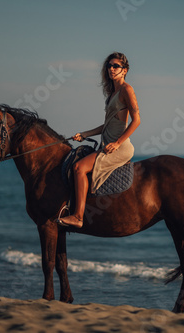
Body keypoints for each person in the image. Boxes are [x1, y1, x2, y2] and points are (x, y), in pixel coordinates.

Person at [57, 52, 141, 228]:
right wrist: (85, 134)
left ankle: (78, 217)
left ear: (124, 70)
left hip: (120, 147)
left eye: (116, 66)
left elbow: (137, 120)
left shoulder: (127, 89)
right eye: (109, 66)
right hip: (107, 142)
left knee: (78, 168)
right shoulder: (112, 94)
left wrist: (117, 143)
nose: (111, 69)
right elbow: (107, 125)